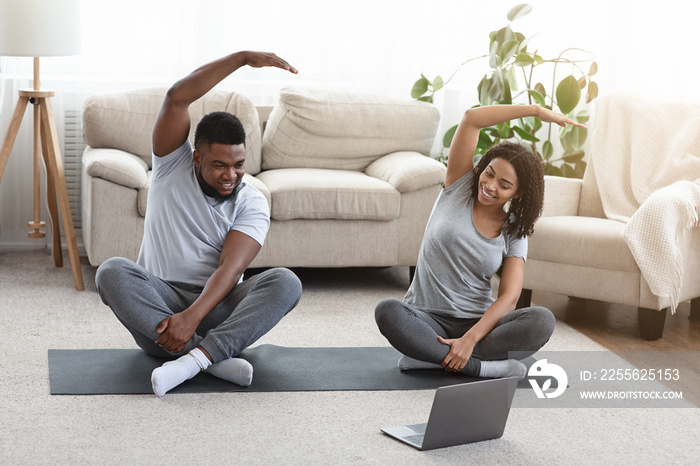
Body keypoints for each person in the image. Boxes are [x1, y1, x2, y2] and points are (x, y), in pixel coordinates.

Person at [95, 51, 302, 396]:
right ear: (196, 157)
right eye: (219, 165)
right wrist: (243, 59)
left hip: (217, 306)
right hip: (160, 312)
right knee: (111, 272)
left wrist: (192, 317)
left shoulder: (252, 201)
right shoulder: (170, 167)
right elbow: (178, 97)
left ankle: (192, 360)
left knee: (286, 282)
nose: (230, 175)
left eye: (238, 164)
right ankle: (215, 358)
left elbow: (230, 268)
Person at [375, 104, 586, 379]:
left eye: (504, 185)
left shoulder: (515, 230)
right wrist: (535, 111)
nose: (490, 186)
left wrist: (471, 339)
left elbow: (510, 297)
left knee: (541, 320)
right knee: (388, 312)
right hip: (427, 318)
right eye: (489, 173)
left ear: (518, 193)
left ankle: (431, 357)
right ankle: (483, 367)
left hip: (480, 325)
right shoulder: (458, 187)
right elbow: (472, 119)